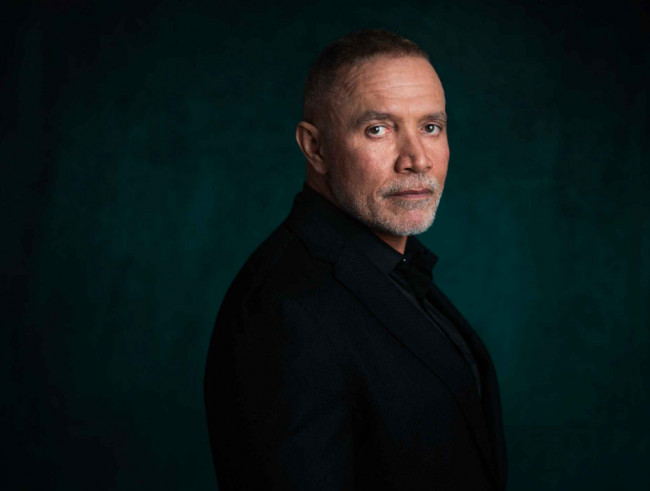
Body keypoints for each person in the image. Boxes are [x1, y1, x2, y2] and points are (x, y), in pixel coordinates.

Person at [204, 29, 507, 490]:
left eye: (430, 127)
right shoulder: (283, 310)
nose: (417, 160)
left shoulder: (395, 269)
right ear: (316, 148)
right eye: (378, 129)